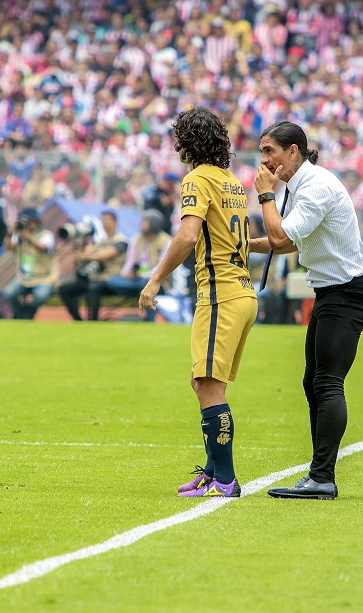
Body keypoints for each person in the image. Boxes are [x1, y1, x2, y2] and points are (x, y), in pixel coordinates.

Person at [250, 121, 363, 500]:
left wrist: (266, 196)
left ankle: (322, 477)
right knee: (314, 383)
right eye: (262, 152)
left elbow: (280, 237)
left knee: (327, 383)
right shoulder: (302, 184)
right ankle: (319, 474)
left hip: (346, 294)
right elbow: (290, 240)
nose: (264, 160)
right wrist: (242, 245)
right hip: (331, 293)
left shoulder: (315, 186)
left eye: (269, 151)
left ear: (293, 151)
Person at [139, 107, 257, 498]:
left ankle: (226, 479)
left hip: (221, 292)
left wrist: (156, 278)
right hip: (242, 290)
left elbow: (189, 235)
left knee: (208, 386)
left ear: (186, 143)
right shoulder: (231, 181)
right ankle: (212, 472)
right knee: (203, 382)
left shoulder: (198, 178)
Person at [59, 210, 128, 321]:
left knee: (93, 288)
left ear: (115, 222)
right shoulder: (101, 241)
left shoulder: (121, 240)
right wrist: (81, 246)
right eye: (103, 221)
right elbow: (83, 257)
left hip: (110, 278)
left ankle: (92, 320)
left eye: (107, 221)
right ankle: (78, 320)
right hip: (94, 277)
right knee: (65, 288)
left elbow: (106, 255)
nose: (105, 224)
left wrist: (86, 255)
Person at [107, 209, 171, 321]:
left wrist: (144, 275)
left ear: (154, 223)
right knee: (111, 280)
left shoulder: (166, 241)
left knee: (145, 283)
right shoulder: (136, 239)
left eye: (145, 222)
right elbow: (129, 263)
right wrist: (128, 273)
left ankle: (150, 320)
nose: (141, 224)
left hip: (157, 282)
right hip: (135, 279)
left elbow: (162, 266)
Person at [2, 208, 57, 320]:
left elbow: (42, 247)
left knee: (40, 296)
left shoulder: (46, 235)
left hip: (44, 278)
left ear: (37, 221)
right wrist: (10, 233)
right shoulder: (19, 237)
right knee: (9, 293)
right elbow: (8, 247)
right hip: (24, 278)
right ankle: (23, 315)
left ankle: (27, 313)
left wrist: (27, 236)